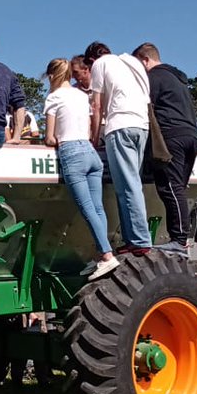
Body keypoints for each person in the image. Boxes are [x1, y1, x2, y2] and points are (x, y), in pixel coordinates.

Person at [43, 58, 118, 281]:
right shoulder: (80, 96)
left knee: (86, 208)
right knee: (97, 208)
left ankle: (106, 255)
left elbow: (49, 138)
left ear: (51, 77)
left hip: (71, 153)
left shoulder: (54, 98)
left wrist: (51, 140)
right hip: (90, 152)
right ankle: (100, 253)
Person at [132, 43, 197, 252]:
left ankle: (179, 239)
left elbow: (141, 106)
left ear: (145, 60)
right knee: (179, 187)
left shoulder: (153, 78)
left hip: (172, 136)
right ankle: (182, 236)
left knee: (169, 187)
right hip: (192, 135)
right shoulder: (178, 80)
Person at [85, 41, 152, 255]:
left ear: (92, 59)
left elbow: (97, 106)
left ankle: (139, 239)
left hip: (119, 126)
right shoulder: (132, 62)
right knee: (134, 182)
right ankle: (133, 237)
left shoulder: (100, 64)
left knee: (125, 186)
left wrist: (94, 139)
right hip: (141, 126)